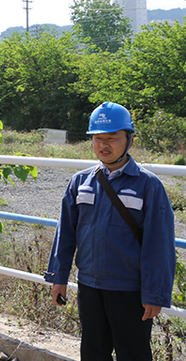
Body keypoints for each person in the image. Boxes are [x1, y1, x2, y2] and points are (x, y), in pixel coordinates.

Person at [45, 102, 176, 361]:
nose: (103, 145)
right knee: (93, 351)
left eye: (112, 138)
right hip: (89, 284)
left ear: (129, 140)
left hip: (130, 291)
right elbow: (66, 233)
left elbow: (159, 244)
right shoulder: (81, 182)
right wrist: (58, 277)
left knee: (133, 353)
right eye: (97, 139)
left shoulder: (148, 186)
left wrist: (155, 294)